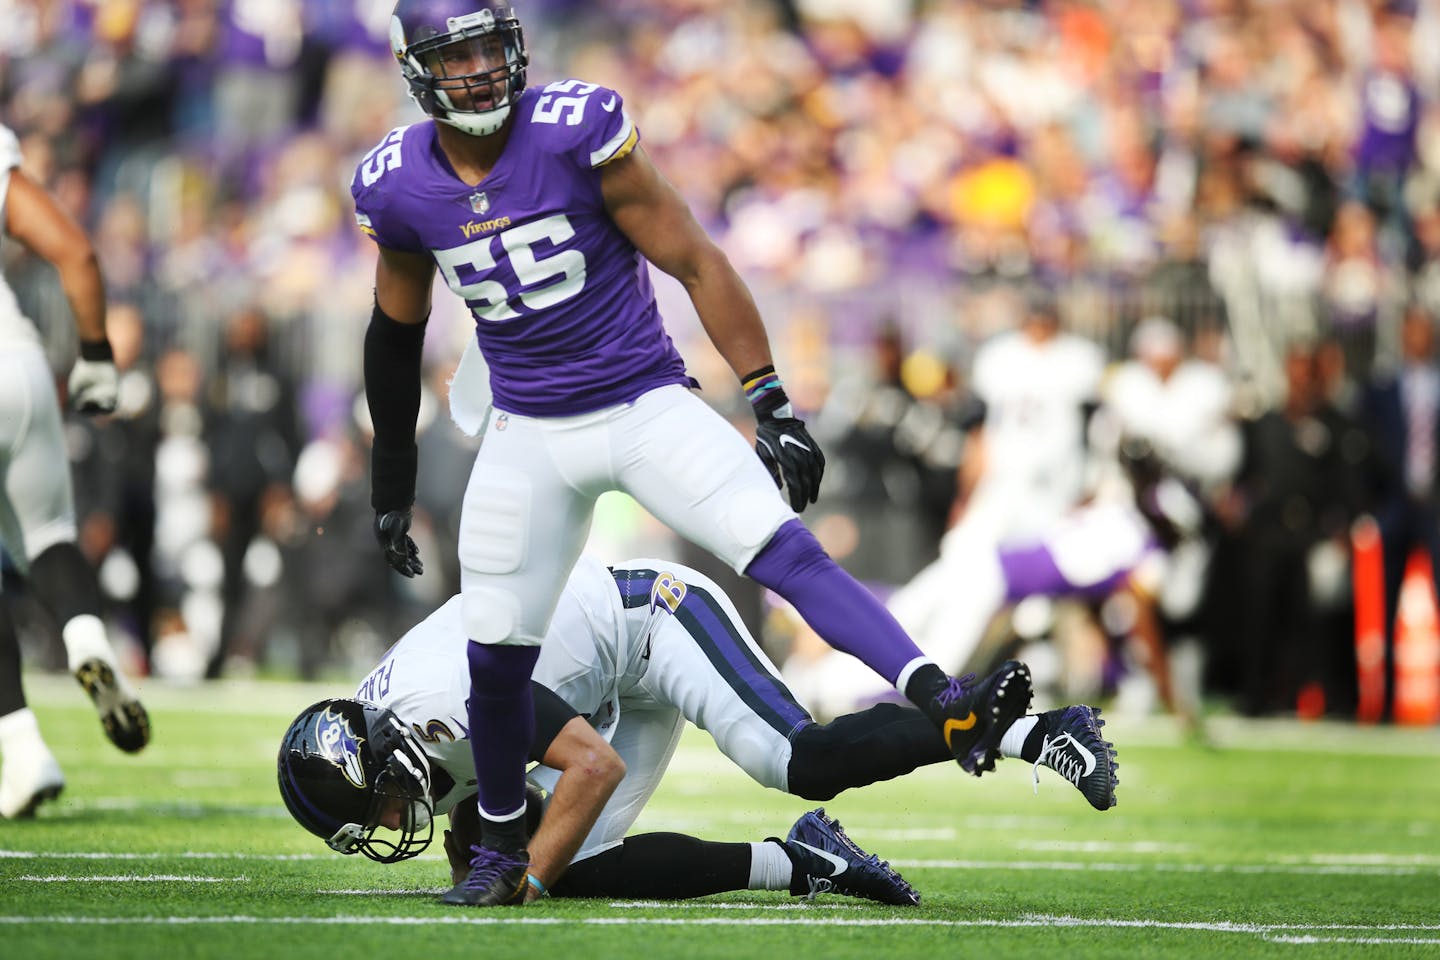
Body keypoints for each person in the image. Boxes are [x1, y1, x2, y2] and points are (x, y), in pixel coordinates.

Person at [357, 0, 1024, 904]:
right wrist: (392, 478)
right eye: (456, 53)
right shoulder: (397, 184)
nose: (478, 69)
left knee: (781, 546)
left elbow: (696, 260)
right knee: (494, 650)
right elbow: (395, 335)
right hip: (527, 430)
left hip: (640, 402)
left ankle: (937, 689)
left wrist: (769, 397)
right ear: (415, 69)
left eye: (487, 46)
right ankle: (500, 858)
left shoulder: (572, 130)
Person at [276, 556, 1118, 903]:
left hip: (652, 619)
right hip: (598, 675)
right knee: (565, 861)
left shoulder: (442, 703)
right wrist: (499, 867)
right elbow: (482, 800)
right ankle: (805, 860)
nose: (393, 820)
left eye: (381, 803)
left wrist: (519, 883)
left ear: (388, 751)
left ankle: (1034, 733)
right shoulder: (395, 727)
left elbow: (590, 767)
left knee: (797, 759)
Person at [0, 124, 151, 819]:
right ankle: (87, 636)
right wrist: (94, 353)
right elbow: (76, 251)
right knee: (50, 532)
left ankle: (23, 747)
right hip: (18, 364)